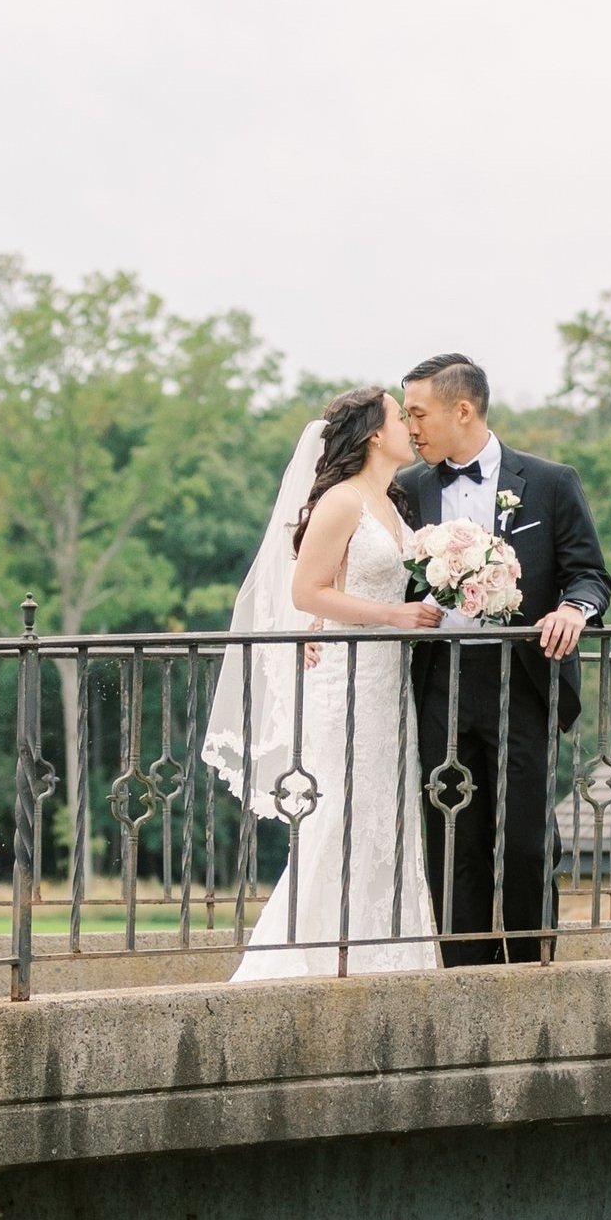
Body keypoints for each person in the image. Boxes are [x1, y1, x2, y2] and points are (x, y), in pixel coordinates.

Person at [202, 387, 445, 978]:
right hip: (346, 678)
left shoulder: (391, 499)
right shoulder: (342, 501)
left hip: (389, 683)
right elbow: (305, 591)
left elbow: (356, 582)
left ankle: (385, 951)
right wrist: (394, 618)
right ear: (372, 435)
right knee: (337, 811)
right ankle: (307, 957)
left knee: (384, 815)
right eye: (398, 417)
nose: (409, 428)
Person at [393, 353, 611, 965]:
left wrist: (575, 610)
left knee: (524, 838)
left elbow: (591, 574)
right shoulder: (406, 489)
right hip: (440, 681)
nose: (412, 428)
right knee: (448, 834)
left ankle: (531, 967)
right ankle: (463, 970)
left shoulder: (549, 481)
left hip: (524, 679)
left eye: (419, 413)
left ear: (462, 409)